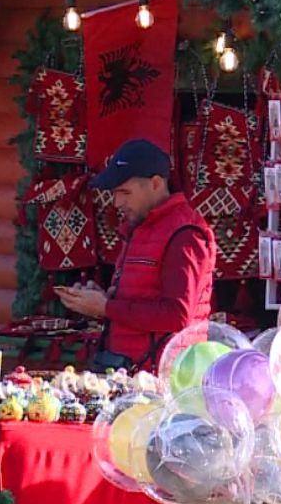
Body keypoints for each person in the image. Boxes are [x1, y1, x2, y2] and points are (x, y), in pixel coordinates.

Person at [55, 138, 216, 371]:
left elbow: (177, 315)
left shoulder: (186, 233)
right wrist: (102, 299)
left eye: (125, 192)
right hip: (132, 368)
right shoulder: (142, 226)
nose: (118, 202)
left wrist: (105, 307)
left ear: (156, 184)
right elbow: (142, 297)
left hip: (163, 377)